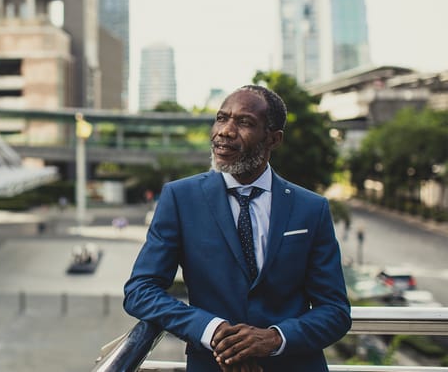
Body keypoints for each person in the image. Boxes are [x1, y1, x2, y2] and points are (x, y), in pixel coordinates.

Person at [123, 85, 351, 371]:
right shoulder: (180, 198)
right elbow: (140, 290)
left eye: (244, 122)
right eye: (221, 118)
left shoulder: (311, 208)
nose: (225, 131)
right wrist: (213, 331)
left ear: (274, 139)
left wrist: (273, 339)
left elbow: (335, 311)